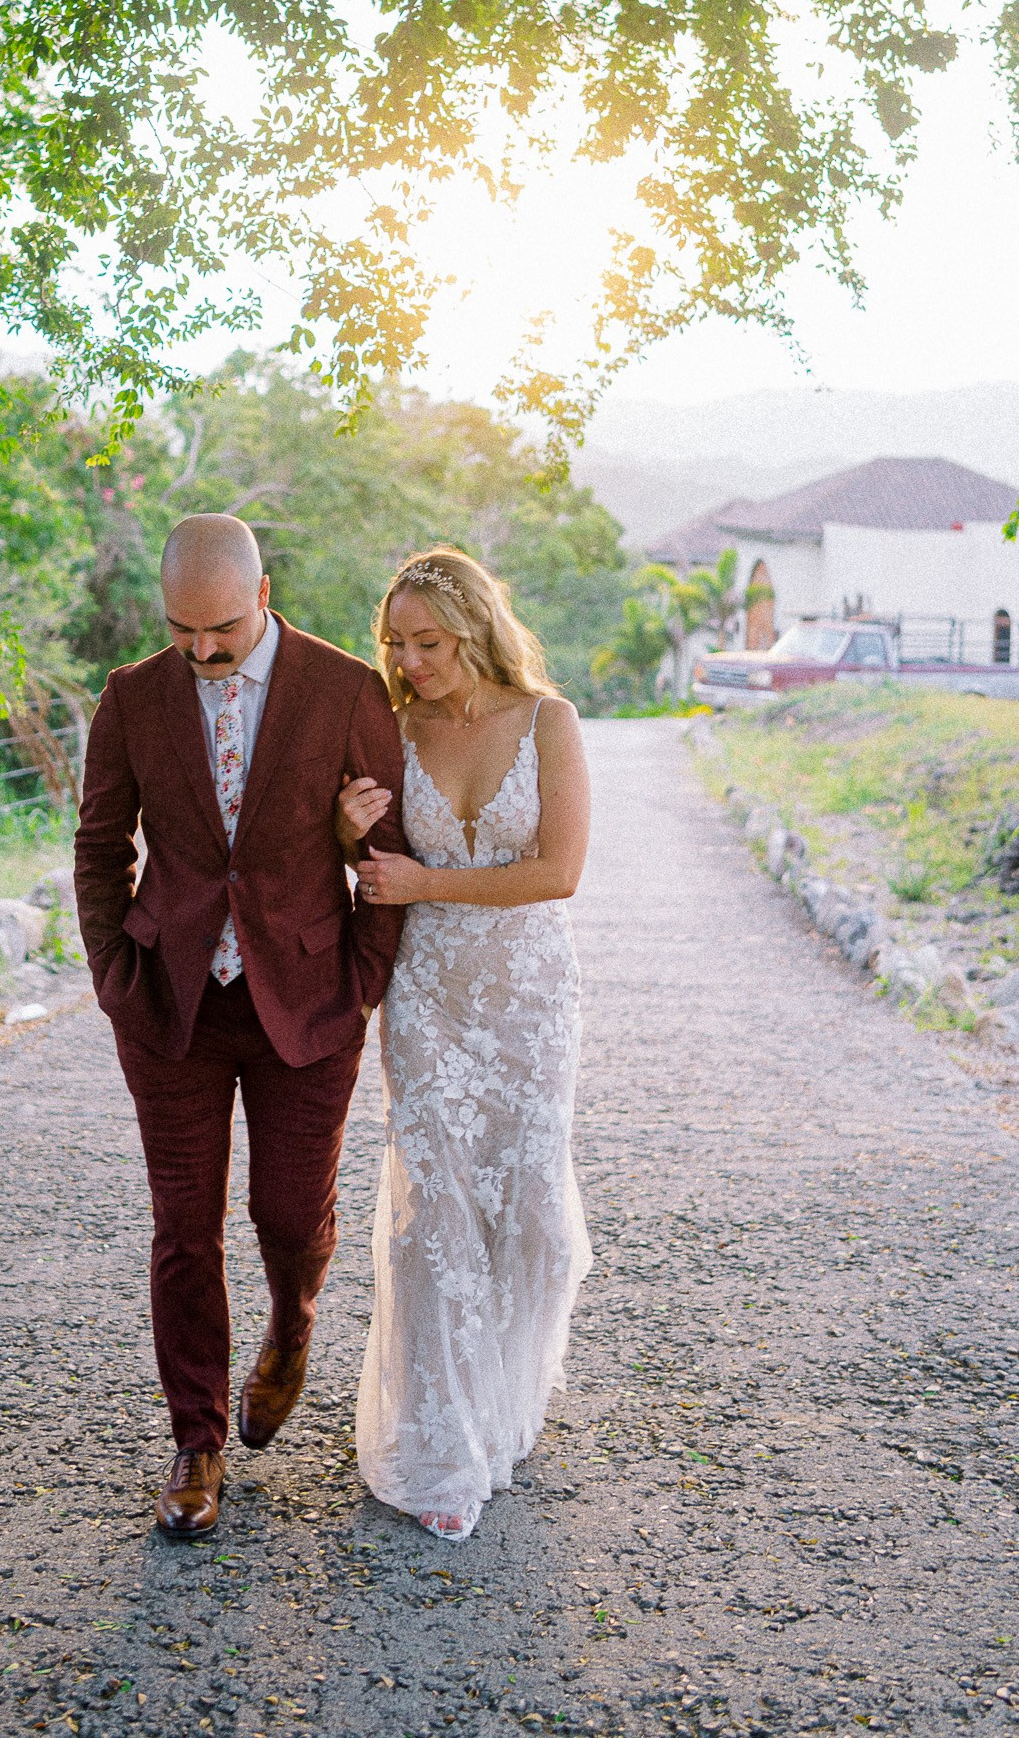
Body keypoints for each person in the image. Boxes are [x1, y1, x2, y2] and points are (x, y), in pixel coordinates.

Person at [73, 514, 407, 1540]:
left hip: (306, 1001)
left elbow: (386, 854)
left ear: (264, 595)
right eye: (182, 629)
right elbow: (99, 843)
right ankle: (195, 1437)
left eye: (219, 627)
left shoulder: (347, 687)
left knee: (289, 1212)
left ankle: (293, 1326)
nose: (203, 650)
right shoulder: (130, 697)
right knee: (183, 1227)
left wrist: (360, 980)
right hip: (169, 1004)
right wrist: (113, 974)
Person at [337, 546, 593, 1542]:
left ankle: (502, 1404)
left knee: (530, 1212)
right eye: (397, 641)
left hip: (531, 996)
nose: (410, 659)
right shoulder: (392, 730)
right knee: (432, 1210)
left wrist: (420, 882)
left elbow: (558, 870)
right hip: (431, 996)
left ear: (476, 627)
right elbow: (371, 875)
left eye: (428, 641)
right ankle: (442, 1442)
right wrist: (340, 831)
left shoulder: (549, 722)